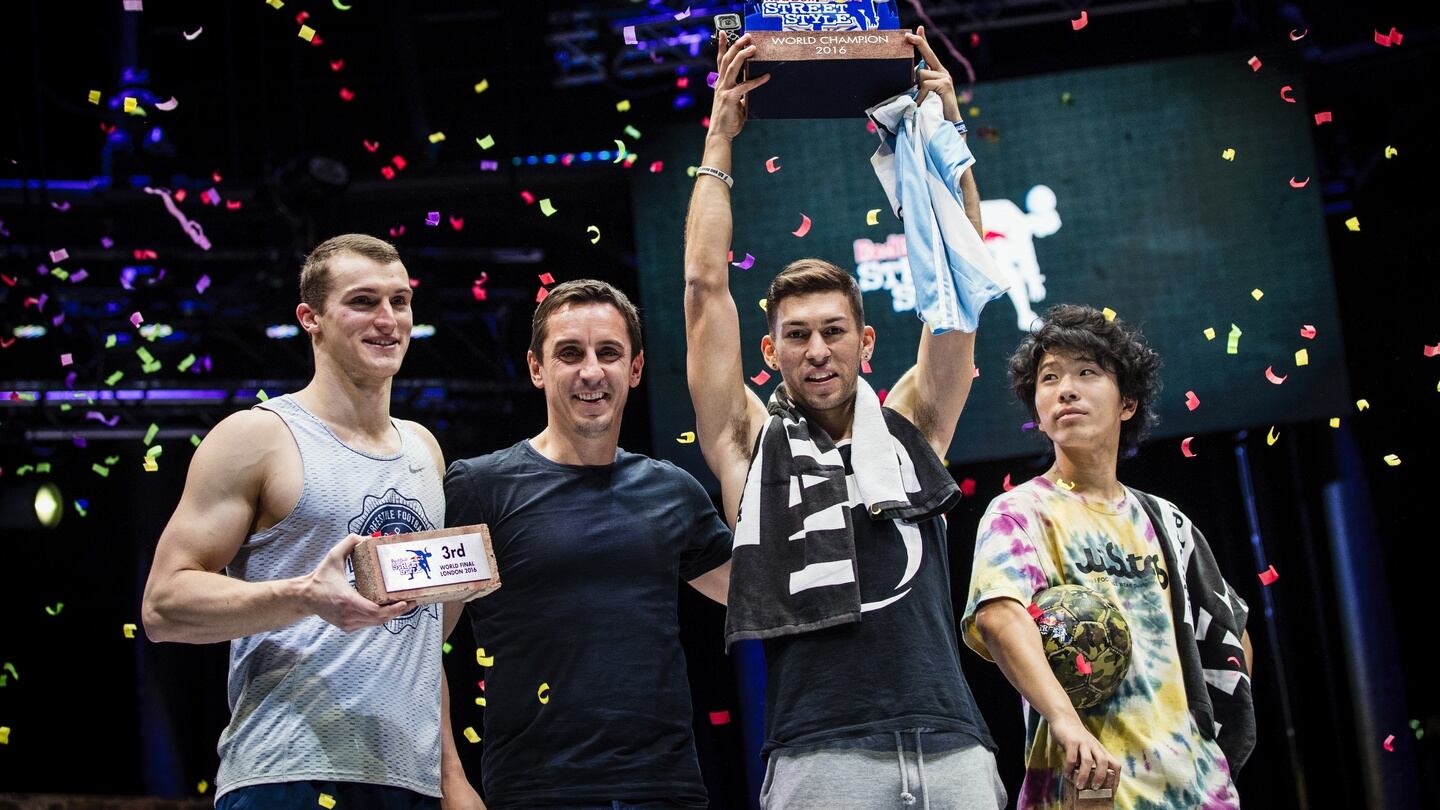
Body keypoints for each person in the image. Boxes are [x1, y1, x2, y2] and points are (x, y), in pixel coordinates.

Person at [682, 29, 1005, 809]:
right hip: (821, 754)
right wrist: (719, 143)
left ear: (865, 341)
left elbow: (960, 289)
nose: (817, 351)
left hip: (953, 744)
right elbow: (703, 288)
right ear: (770, 350)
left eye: (833, 332)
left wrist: (946, 137)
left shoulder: (913, 426)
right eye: (797, 336)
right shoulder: (748, 444)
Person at [141, 234, 469, 809]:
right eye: (363, 301)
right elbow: (163, 607)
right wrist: (304, 596)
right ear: (310, 318)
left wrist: (453, 779)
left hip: (408, 781)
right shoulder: (258, 436)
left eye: (401, 300)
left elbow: (415, 644)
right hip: (286, 773)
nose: (388, 319)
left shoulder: (424, 450)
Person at [441, 279, 733, 808]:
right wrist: (450, 780)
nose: (592, 372)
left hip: (667, 789)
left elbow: (758, 595)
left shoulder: (672, 490)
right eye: (570, 353)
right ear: (536, 368)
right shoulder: (480, 486)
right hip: (535, 791)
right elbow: (420, 642)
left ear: (636, 369)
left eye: (609, 353)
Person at [962, 304, 1256, 809]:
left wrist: (1203, 742)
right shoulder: (1020, 512)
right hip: (1086, 792)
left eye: (1087, 372)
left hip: (1198, 793)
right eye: (1049, 377)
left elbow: (1231, 636)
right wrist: (1065, 722)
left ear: (1128, 403)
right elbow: (997, 616)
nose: (1065, 389)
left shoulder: (1168, 521)